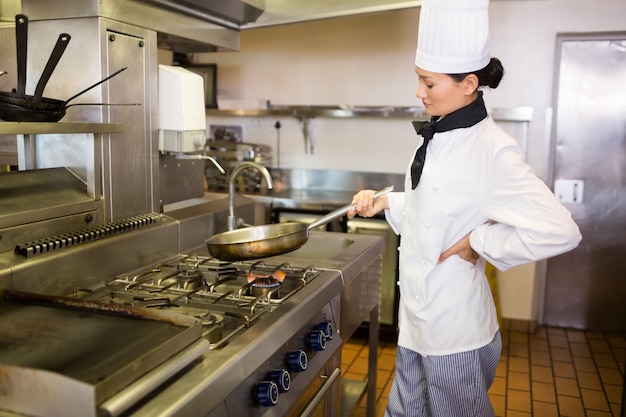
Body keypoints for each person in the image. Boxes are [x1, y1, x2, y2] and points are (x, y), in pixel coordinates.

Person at [346, 0, 582, 416]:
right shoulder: (439, 136)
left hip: (454, 333)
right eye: (419, 80)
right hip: (416, 322)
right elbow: (438, 205)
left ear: (469, 83)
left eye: (428, 83)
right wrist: (385, 201)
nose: (419, 93)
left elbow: (561, 229)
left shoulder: (494, 150)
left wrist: (479, 239)